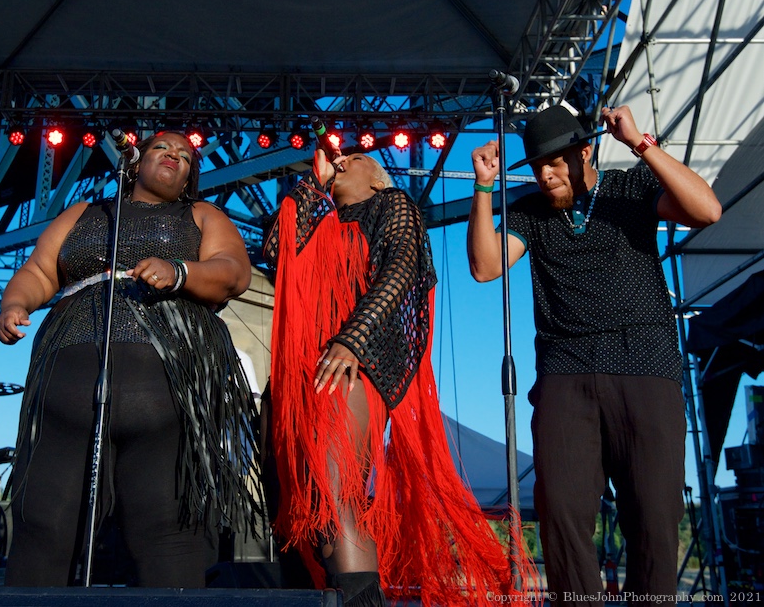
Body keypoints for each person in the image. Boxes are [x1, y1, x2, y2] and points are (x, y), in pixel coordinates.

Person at [466, 104, 722, 606]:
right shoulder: (530, 212)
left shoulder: (628, 189)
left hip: (645, 365)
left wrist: (640, 145)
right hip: (566, 371)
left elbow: (707, 210)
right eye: (537, 165)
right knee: (559, 509)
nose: (545, 174)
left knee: (654, 515)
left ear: (585, 152)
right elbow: (484, 267)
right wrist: (482, 189)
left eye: (556, 162)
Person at [264, 149, 532, 606]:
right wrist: (314, 185)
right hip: (296, 376)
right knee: (298, 507)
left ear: (377, 178)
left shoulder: (392, 204)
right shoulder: (321, 220)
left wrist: (353, 338)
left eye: (357, 156)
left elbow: (402, 271)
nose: (344, 159)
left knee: (335, 497)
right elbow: (276, 253)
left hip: (351, 365)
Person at [0, 131, 261, 588]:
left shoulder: (200, 214)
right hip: (71, 378)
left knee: (169, 527)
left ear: (189, 179)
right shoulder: (86, 212)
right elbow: (40, 271)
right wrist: (15, 304)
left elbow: (234, 271)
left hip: (168, 382)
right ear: (135, 162)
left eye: (184, 156)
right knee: (45, 521)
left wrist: (181, 272)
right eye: (163, 148)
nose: (174, 156)